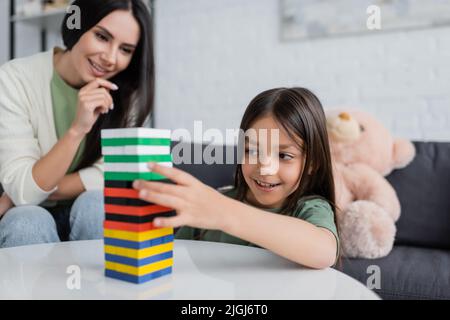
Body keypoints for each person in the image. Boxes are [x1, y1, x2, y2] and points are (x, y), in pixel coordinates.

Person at [0, 0, 154, 248]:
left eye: (125, 49)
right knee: (25, 221)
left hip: (87, 212)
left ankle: (103, 288)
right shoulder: (14, 80)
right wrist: (77, 130)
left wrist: (29, 189)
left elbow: (119, 173)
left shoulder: (126, 93)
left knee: (97, 205)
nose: (110, 58)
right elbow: (25, 195)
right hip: (31, 213)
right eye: (102, 37)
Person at [133, 87, 340, 269]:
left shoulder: (310, 209)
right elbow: (173, 262)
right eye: (252, 151)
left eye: (284, 156)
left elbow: (324, 252)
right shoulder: (211, 206)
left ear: (313, 163)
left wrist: (223, 212)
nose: (265, 168)